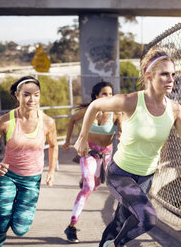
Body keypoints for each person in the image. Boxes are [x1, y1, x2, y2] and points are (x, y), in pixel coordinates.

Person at [74, 47, 181, 247]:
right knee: (147, 218)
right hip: (120, 174)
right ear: (149, 76)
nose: (171, 79)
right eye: (164, 74)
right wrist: (82, 137)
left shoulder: (176, 110)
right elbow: (95, 106)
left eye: (173, 74)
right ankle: (118, 245)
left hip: (145, 177)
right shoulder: (131, 101)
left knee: (120, 221)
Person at [0, 76, 58, 247]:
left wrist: (51, 172)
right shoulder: (4, 121)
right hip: (8, 175)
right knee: (2, 220)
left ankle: (13, 214)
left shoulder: (47, 122)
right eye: (26, 95)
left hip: (32, 180)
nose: (32, 99)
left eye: (36, 94)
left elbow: (54, 146)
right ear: (17, 95)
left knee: (20, 229)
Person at [63, 81, 122, 243]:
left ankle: (119, 228)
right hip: (89, 153)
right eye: (104, 94)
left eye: (110, 93)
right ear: (96, 96)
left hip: (106, 157)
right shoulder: (90, 110)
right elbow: (72, 120)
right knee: (88, 187)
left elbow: (123, 132)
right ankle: (72, 226)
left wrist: (121, 136)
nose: (109, 97)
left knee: (99, 186)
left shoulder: (116, 113)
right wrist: (67, 141)